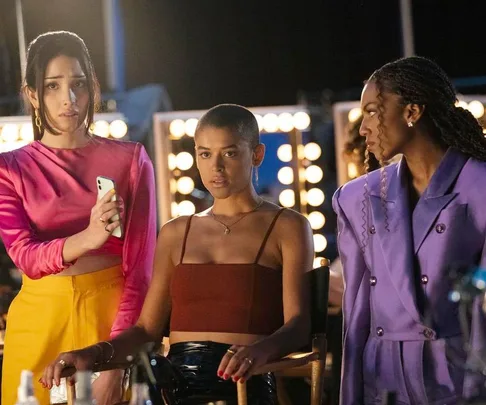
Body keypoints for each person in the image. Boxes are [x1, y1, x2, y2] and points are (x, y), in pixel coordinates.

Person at [41, 103, 314, 404]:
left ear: (257, 154)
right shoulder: (175, 232)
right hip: (175, 390)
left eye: (230, 153)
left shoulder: (288, 226)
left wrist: (259, 352)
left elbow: (299, 325)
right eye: (205, 154)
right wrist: (91, 353)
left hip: (244, 385)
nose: (216, 167)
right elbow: (147, 329)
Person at [0, 31, 156, 405]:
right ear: (33, 94)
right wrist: (87, 238)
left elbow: (140, 270)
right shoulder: (9, 168)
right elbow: (25, 257)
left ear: (93, 88)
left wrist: (115, 360)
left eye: (78, 84)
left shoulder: (130, 159)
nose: (68, 99)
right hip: (38, 319)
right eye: (52, 86)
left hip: (109, 318)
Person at [333, 56, 486, 404]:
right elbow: (357, 312)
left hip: (456, 377)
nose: (362, 128)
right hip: (382, 377)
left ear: (412, 112)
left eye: (372, 111)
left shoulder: (480, 187)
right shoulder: (357, 197)